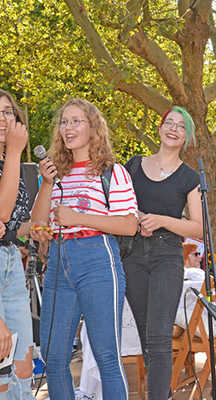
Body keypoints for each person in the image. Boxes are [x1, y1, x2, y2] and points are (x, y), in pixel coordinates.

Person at [31, 98, 138, 400]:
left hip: (98, 260)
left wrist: (78, 218)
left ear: (93, 128)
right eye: (64, 122)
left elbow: (129, 225)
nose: (68, 127)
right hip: (58, 260)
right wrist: (47, 185)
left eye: (76, 121)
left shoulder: (111, 172)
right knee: (53, 358)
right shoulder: (54, 174)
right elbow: (39, 227)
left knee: (107, 357)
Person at [122, 106, 202, 400]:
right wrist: (133, 221)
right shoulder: (132, 166)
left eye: (181, 126)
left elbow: (198, 228)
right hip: (132, 256)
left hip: (167, 257)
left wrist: (162, 220)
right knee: (146, 337)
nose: (173, 128)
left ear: (186, 138)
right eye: (169, 122)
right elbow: (118, 206)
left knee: (159, 337)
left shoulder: (190, 177)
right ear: (159, 128)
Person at [0, 89, 35, 399]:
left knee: (23, 363)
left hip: (11, 264)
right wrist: (13, 151)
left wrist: (32, 229)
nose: (3, 118)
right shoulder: (10, 156)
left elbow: (10, 224)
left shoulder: (9, 161)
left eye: (8, 111)